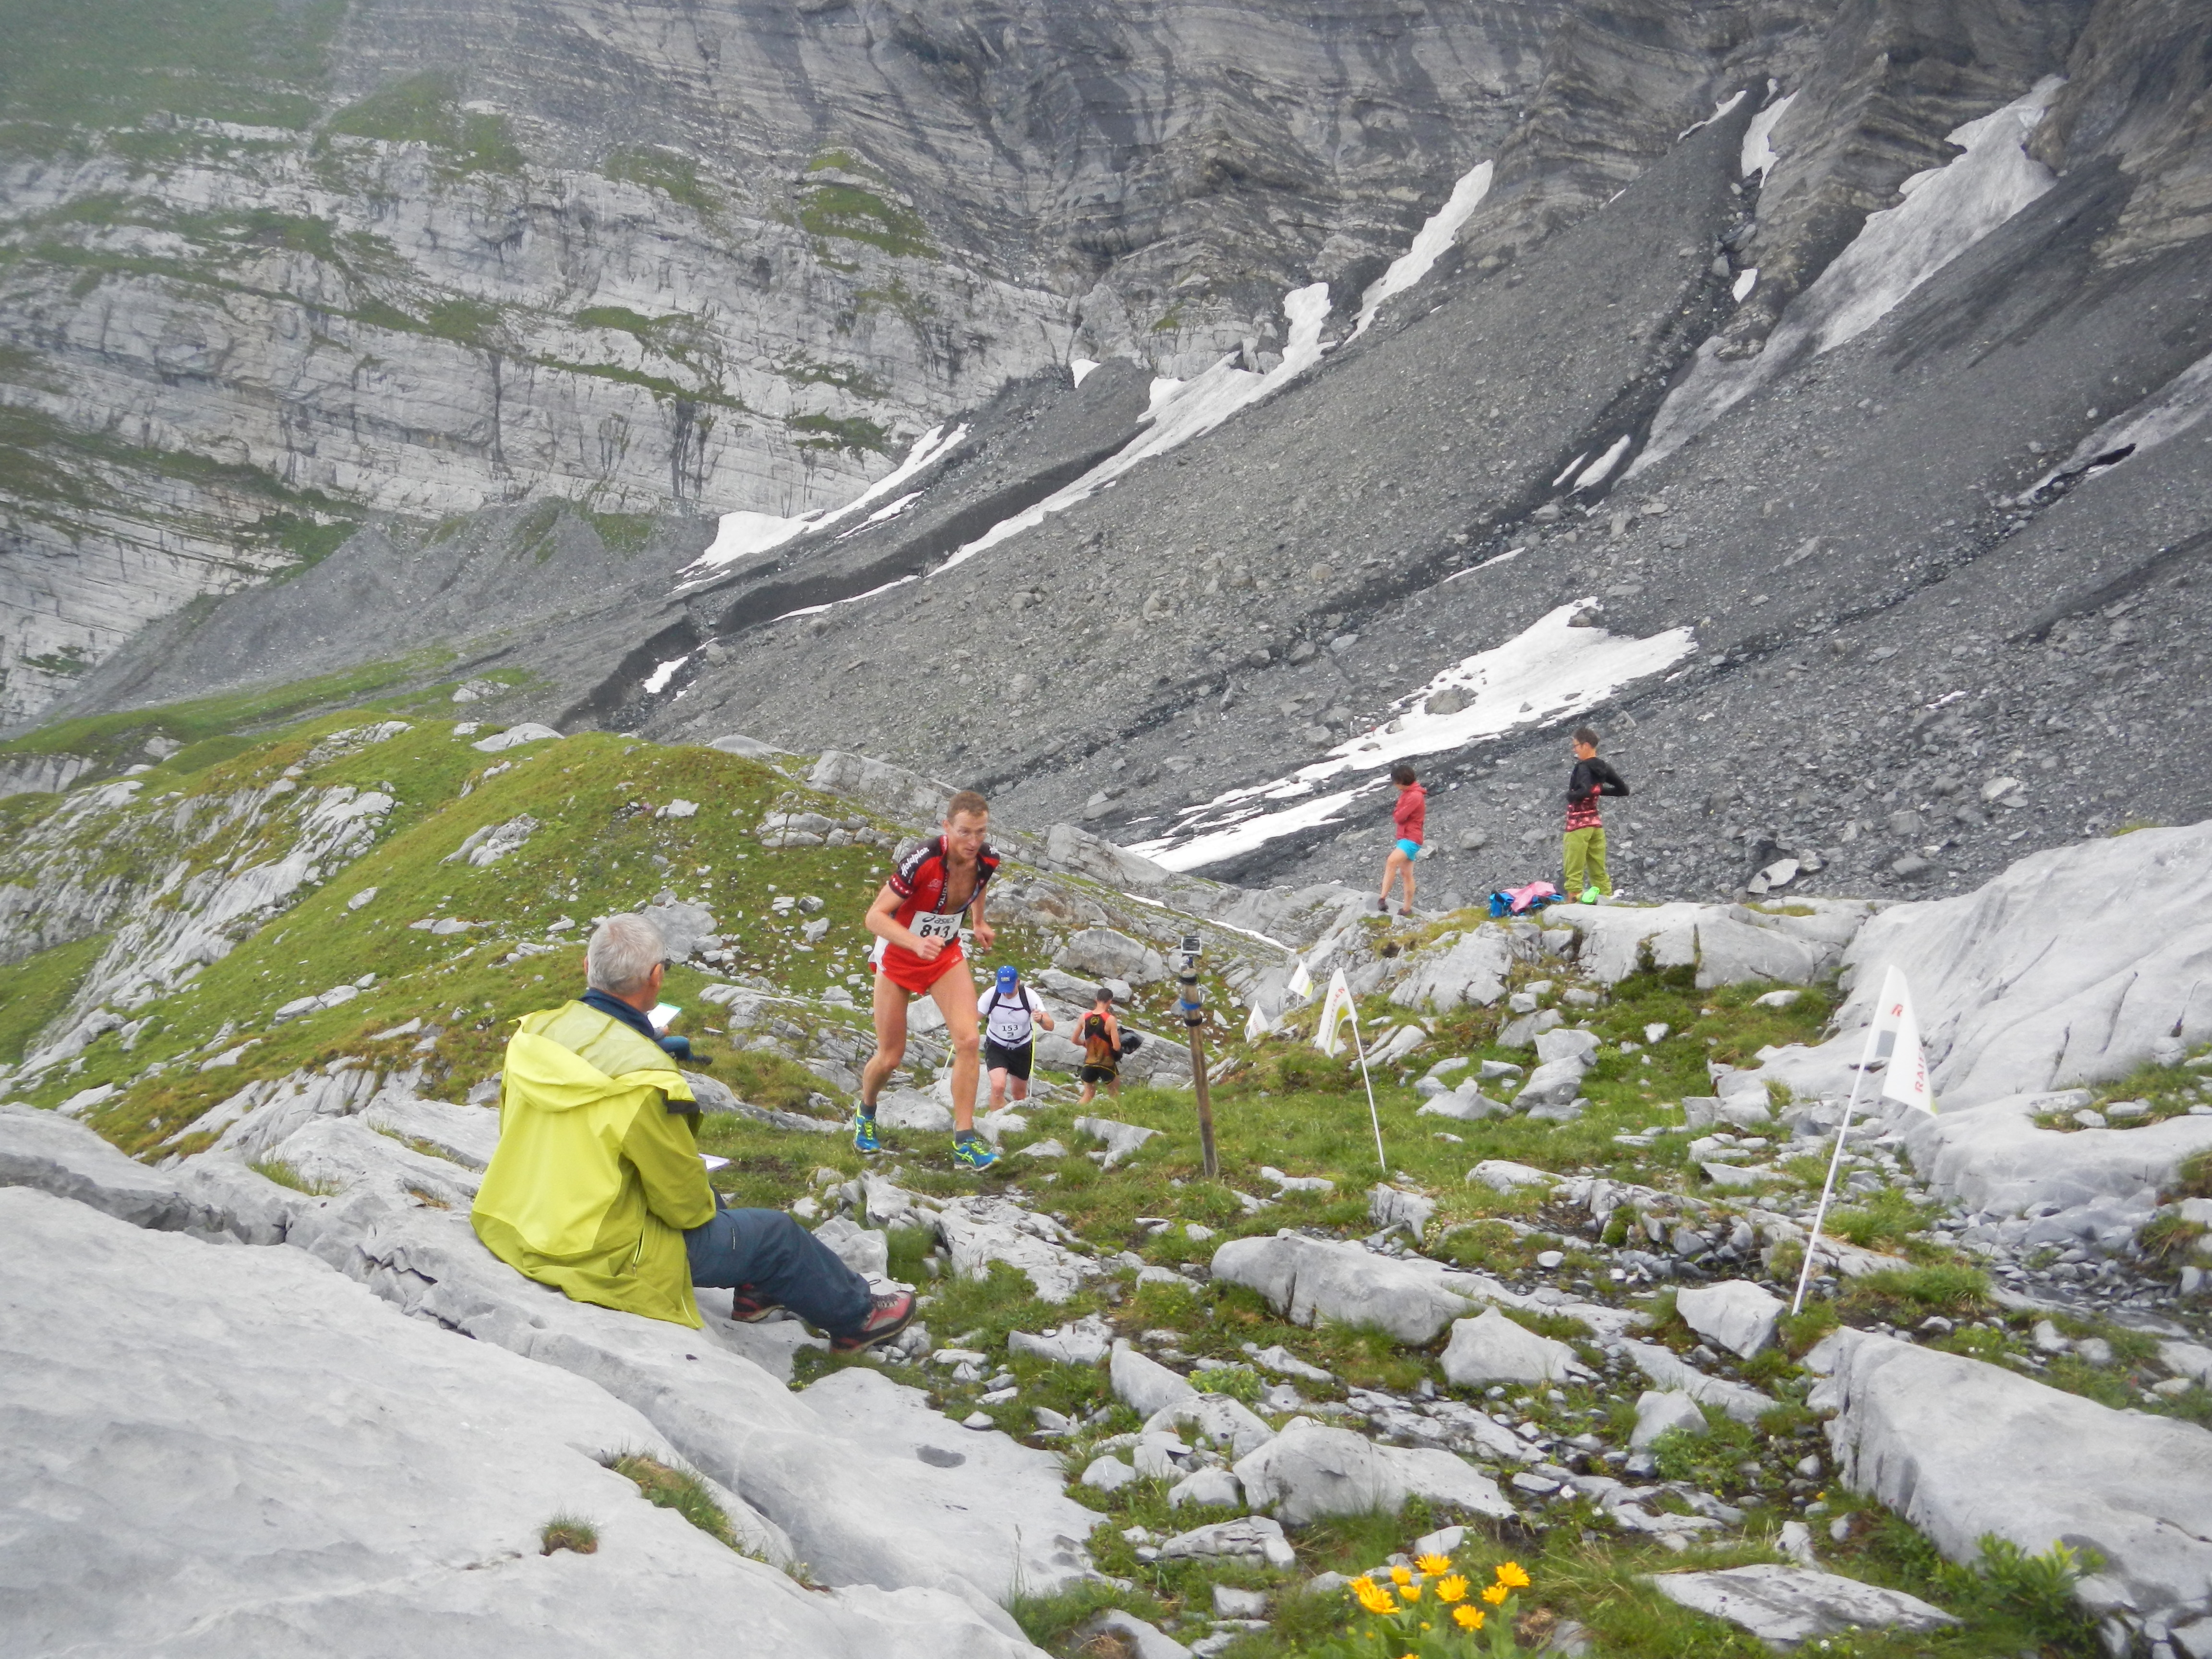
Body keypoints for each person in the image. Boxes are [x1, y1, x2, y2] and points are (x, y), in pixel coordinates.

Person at [471, 914, 914, 1349]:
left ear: (588, 967)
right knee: (776, 1234)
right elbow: (684, 1209)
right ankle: (859, 1317)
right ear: (656, 977)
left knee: (709, 1193)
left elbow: (516, 1127)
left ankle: (759, 1287)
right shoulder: (646, 1078)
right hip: (599, 1251)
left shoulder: (534, 1031)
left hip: (519, 1217)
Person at [854, 789, 1001, 1170]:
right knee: (891, 1057)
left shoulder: (987, 859)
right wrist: (916, 943)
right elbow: (874, 917)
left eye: (981, 832)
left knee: (969, 1041)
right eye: (965, 832)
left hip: (944, 956)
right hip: (900, 956)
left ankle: (964, 1140)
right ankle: (866, 1111)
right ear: (946, 826)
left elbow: (979, 885)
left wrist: (979, 922)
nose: (973, 842)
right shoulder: (922, 860)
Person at [1563, 725, 1630, 902]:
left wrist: (1571, 795)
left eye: (1576, 746)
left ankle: (1572, 905)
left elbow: (1584, 790)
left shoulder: (1582, 767)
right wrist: (1598, 790)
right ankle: (1606, 900)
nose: (1575, 750)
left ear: (1585, 745)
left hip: (1577, 826)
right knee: (1598, 869)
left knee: (1573, 870)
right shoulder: (1603, 767)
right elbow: (1624, 790)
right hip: (1596, 826)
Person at [980, 963, 1054, 1112]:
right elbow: (973, 1017)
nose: (1006, 994)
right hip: (996, 1046)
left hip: (1022, 1048)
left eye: (1010, 989)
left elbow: (1050, 1026)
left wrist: (1040, 1019)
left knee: (1019, 1095)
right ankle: (996, 1118)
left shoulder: (1029, 996)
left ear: (1018, 982)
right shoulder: (991, 995)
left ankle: (1016, 1117)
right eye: (1003, 989)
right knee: (998, 1086)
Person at [1377, 762, 1425, 917]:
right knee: (1406, 874)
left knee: (1392, 861)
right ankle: (1406, 909)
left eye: (1396, 782)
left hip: (1411, 838)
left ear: (1401, 781)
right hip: (1407, 837)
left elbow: (1399, 817)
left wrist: (1398, 812)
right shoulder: (1410, 793)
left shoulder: (1414, 796)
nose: (1395, 785)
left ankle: (1382, 899)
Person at [1075, 986, 1122, 1106]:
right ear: (1110, 1001)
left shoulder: (1084, 1017)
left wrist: (1085, 1044)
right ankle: (1117, 1115)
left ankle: (1074, 1112)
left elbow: (1074, 1039)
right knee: (1114, 1095)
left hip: (1089, 1062)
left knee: (1088, 1094)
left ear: (1096, 1000)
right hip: (1107, 1063)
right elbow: (1117, 1047)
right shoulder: (1110, 1020)